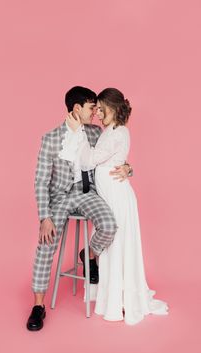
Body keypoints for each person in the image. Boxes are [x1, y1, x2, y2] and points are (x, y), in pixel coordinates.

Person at [26, 86, 132, 331]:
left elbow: (116, 155)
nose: (96, 112)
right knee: (47, 242)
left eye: (97, 108)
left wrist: (129, 169)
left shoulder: (97, 132)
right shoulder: (51, 138)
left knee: (108, 225)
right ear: (77, 108)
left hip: (87, 193)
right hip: (60, 198)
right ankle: (38, 306)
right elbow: (41, 180)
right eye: (91, 107)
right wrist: (45, 217)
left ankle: (89, 255)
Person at [62, 88, 168, 324]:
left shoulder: (119, 133)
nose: (98, 113)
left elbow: (89, 159)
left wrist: (77, 131)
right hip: (107, 195)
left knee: (118, 244)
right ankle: (112, 294)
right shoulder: (108, 131)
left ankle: (121, 298)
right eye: (96, 108)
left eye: (101, 108)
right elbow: (96, 159)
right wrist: (128, 167)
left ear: (112, 107)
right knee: (112, 244)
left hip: (118, 196)